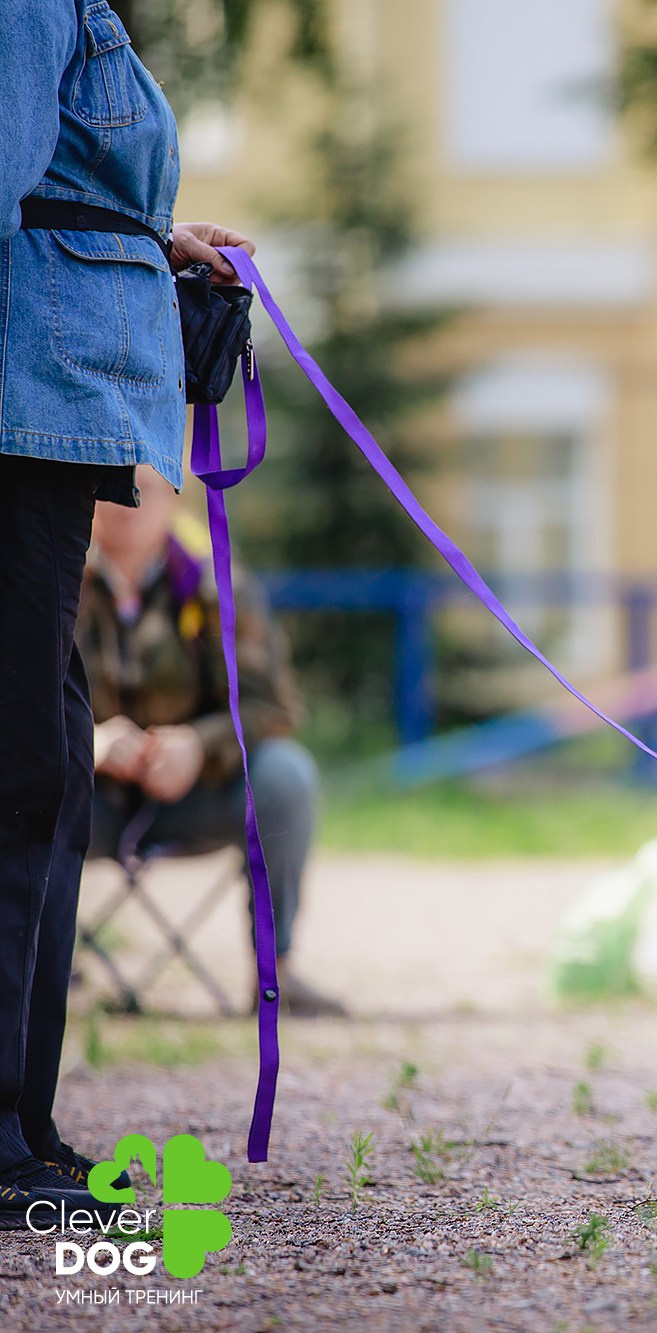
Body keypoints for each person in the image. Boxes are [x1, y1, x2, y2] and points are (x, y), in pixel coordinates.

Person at [2, 0, 255, 1226]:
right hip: (18, 427)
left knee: (46, 774)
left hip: (56, 419)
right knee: (20, 776)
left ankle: (24, 1123)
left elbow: (43, 195)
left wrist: (145, 245)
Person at [79, 469, 345, 1019]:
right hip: (83, 800)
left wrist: (199, 746)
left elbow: (275, 706)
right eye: (106, 487)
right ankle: (30, 974)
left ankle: (278, 976)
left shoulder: (218, 582)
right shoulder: (48, 582)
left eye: (140, 489)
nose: (122, 503)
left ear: (175, 499)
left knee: (284, 776)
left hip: (198, 797)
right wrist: (90, 742)